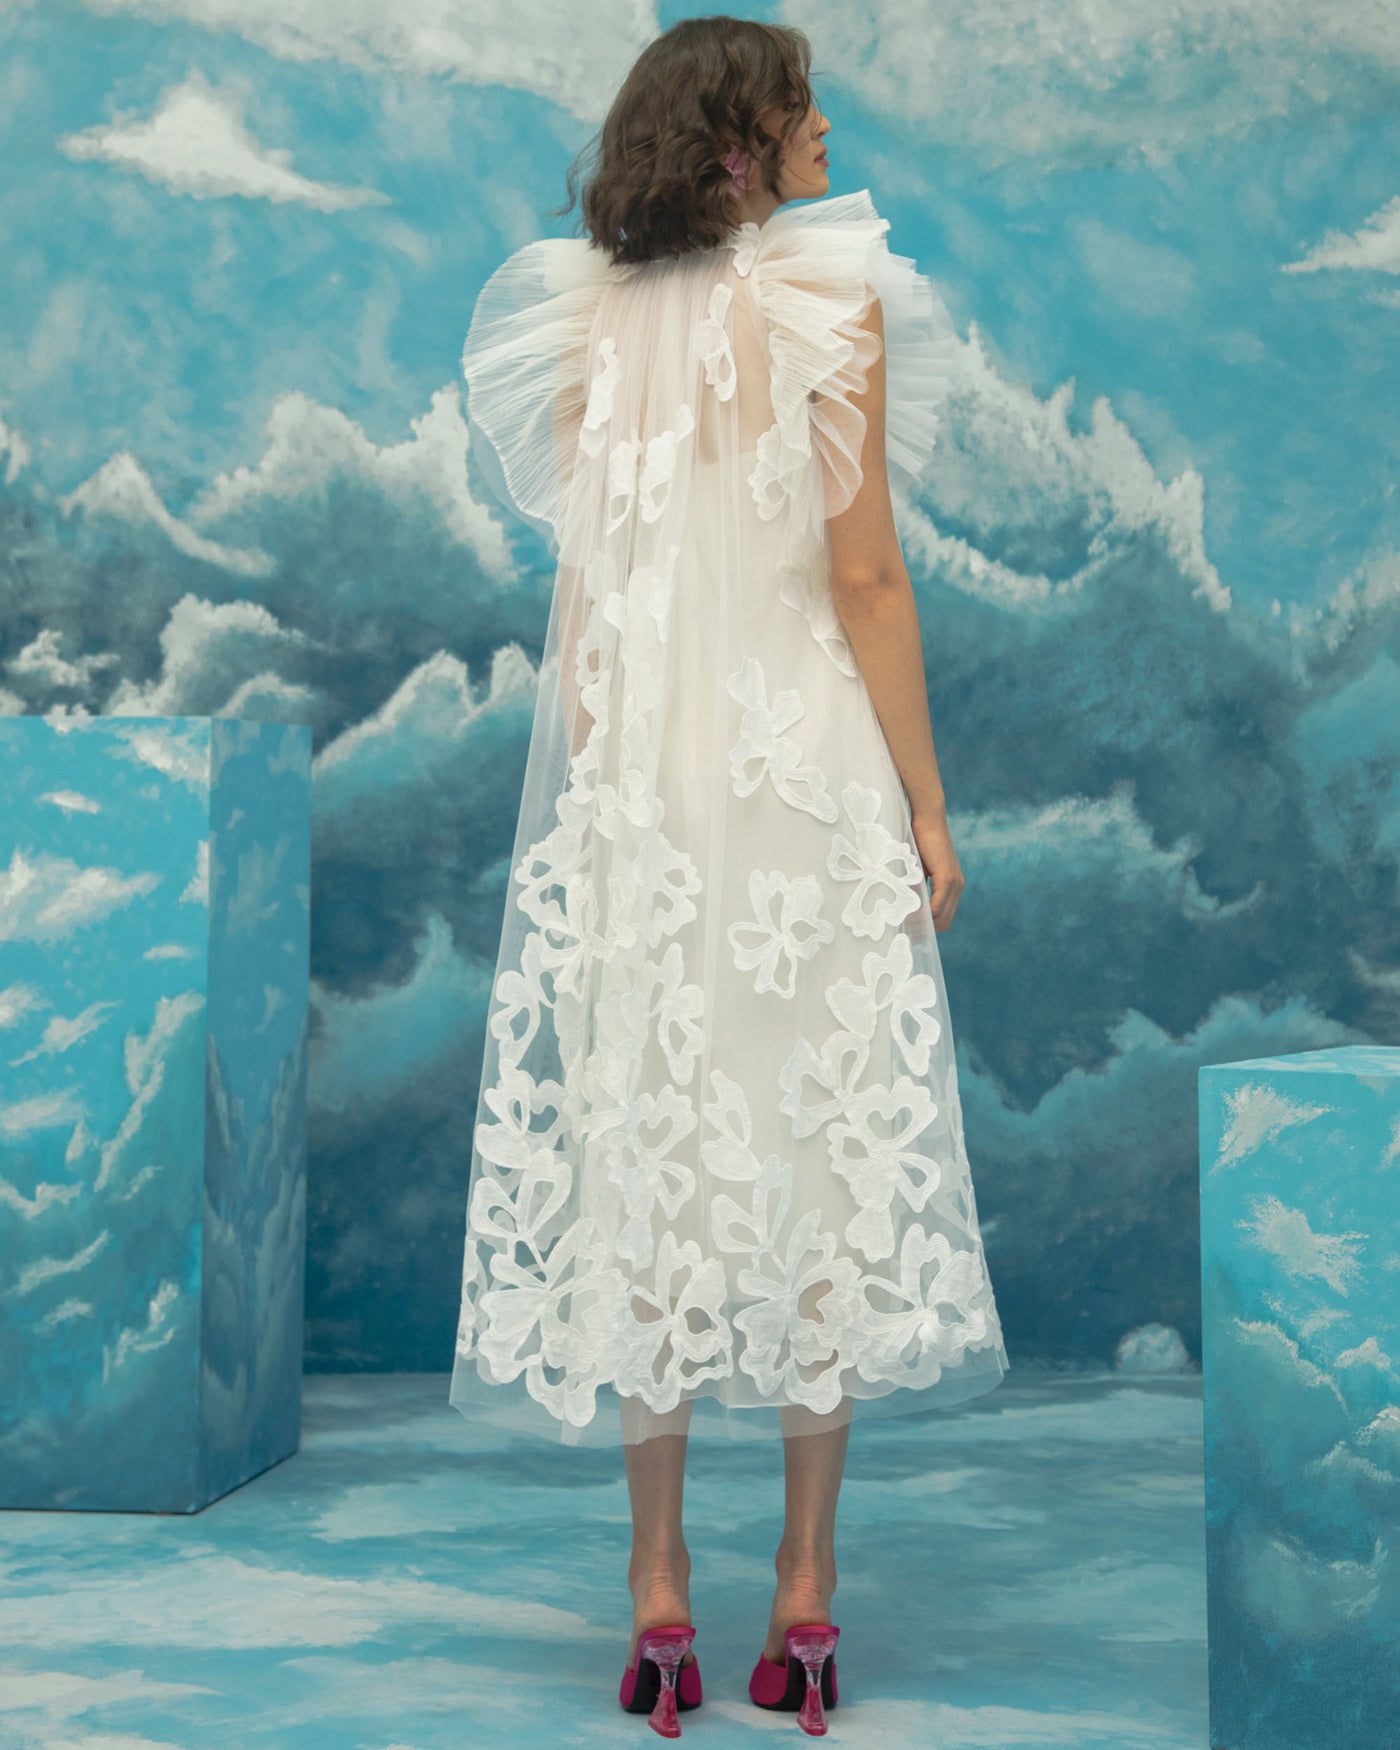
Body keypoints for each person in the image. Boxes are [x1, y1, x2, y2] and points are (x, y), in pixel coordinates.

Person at [449, 15, 1009, 1737]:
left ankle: (658, 1592)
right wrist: (928, 806)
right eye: (798, 104)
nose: (828, 125)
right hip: (804, 783)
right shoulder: (833, 299)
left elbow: (597, 599)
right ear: (738, 147)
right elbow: (867, 576)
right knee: (815, 1158)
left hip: (649, 788)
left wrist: (608, 795)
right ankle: (807, 1594)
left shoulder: (581, 322)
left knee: (659, 1162)